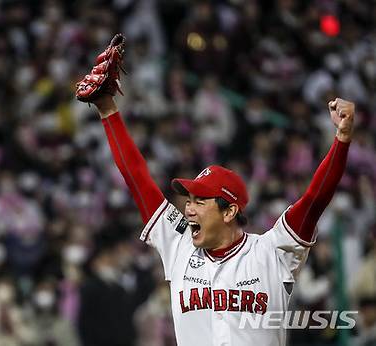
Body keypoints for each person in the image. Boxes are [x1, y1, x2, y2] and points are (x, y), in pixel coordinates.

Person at [76, 35, 355, 346]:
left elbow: (315, 199)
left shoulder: (270, 251)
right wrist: (107, 109)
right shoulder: (179, 243)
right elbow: (136, 176)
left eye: (200, 201)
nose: (188, 209)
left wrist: (341, 139)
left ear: (230, 211)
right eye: (189, 200)